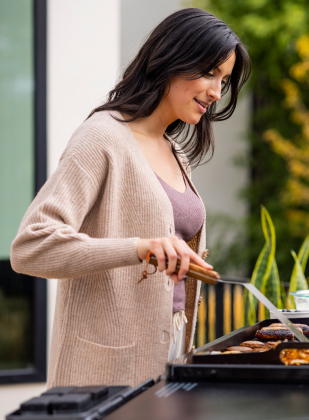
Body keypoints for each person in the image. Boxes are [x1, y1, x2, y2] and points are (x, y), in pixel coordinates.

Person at [10, 8, 251, 388]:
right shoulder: (102, 137)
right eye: (209, 73)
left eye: (223, 79)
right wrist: (139, 247)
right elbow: (31, 246)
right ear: (172, 59)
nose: (217, 92)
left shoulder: (177, 153)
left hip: (170, 358)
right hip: (105, 373)